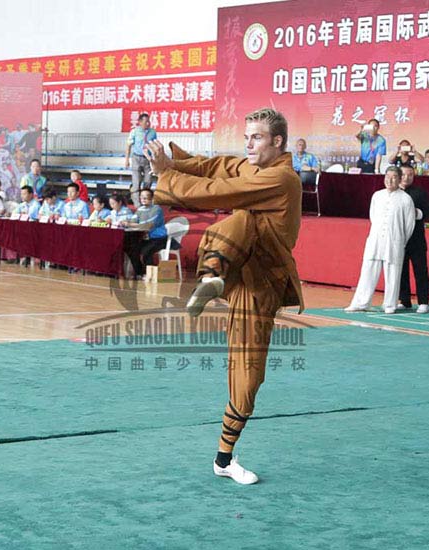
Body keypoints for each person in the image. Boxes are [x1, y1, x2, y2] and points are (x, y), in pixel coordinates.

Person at [144, 107, 304, 485]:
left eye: (257, 137)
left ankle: (224, 458)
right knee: (242, 219)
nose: (248, 143)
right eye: (247, 136)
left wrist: (167, 174)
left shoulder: (281, 179)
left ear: (277, 142)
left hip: (260, 280)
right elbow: (217, 167)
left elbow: (219, 190)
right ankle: (212, 276)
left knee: (248, 378)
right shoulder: (255, 168)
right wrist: (178, 161)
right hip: (236, 263)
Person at [345, 166, 416, 314]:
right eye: (387, 177)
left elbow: (409, 225)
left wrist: (399, 240)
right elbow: (373, 217)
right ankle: (361, 303)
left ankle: (390, 305)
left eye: (394, 177)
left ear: (399, 179)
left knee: (393, 273)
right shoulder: (377, 195)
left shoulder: (405, 199)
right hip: (375, 239)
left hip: (395, 240)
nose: (390, 180)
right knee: (368, 270)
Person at [397, 165, 429, 313]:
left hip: (416, 239)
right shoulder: (393, 193)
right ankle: (404, 300)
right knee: (401, 271)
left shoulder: (420, 192)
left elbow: (428, 212)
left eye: (410, 175)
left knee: (420, 271)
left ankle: (423, 301)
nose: (407, 177)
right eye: (404, 174)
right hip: (399, 239)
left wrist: (414, 213)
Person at [120, 188, 167, 277]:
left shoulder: (157, 209)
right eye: (142, 197)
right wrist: (126, 223)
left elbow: (148, 226)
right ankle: (140, 272)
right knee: (131, 249)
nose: (143, 199)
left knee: (146, 251)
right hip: (145, 238)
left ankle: (150, 274)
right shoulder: (140, 209)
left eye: (146, 197)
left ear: (152, 198)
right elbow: (133, 221)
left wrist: (130, 224)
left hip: (158, 238)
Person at [124, 113, 157, 205]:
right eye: (146, 121)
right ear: (140, 122)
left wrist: (154, 159)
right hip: (136, 157)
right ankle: (137, 204)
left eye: (148, 121)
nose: (148, 123)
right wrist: (127, 160)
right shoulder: (134, 132)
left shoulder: (153, 132)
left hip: (148, 159)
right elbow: (128, 145)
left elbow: (154, 146)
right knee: (136, 181)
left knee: (148, 180)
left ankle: (146, 201)